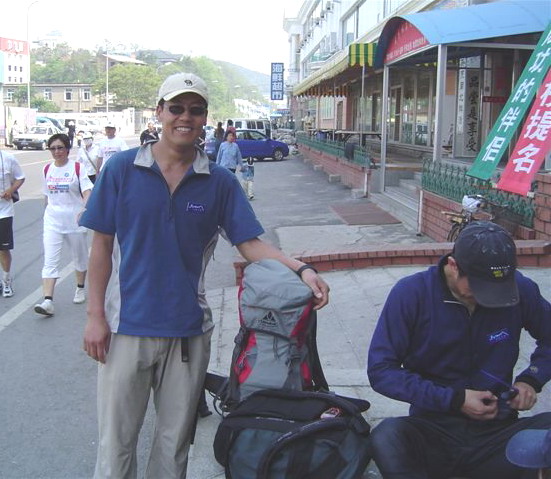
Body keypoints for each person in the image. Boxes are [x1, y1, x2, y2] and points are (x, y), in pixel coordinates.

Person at [80, 72, 329, 479]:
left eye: (196, 110)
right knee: (116, 444)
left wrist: (301, 269)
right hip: (126, 329)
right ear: (160, 112)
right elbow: (101, 246)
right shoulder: (122, 169)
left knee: (174, 444)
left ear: (205, 118)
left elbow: (250, 244)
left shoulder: (219, 182)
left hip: (187, 332)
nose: (185, 117)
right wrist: (95, 316)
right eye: (176, 108)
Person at [367, 221, 551, 479]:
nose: (490, 297)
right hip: (434, 430)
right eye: (479, 288)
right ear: (453, 265)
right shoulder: (411, 293)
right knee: (387, 436)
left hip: (498, 434)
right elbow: (381, 370)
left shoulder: (521, 290)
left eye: (498, 290)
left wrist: (530, 380)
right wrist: (454, 400)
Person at [34, 133, 93, 316]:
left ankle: (80, 287)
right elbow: (47, 196)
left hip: (75, 221)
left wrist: (84, 209)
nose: (57, 151)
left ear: (67, 149)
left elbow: (87, 191)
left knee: (79, 258)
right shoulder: (47, 169)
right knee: (50, 260)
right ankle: (47, 301)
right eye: (53, 148)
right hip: (53, 221)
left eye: (60, 148)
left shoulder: (77, 168)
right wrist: (46, 213)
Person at [0, 150, 25, 297]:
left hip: (4, 211)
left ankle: (6, 281)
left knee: (3, 249)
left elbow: (20, 177)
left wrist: (11, 190)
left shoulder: (8, 158)